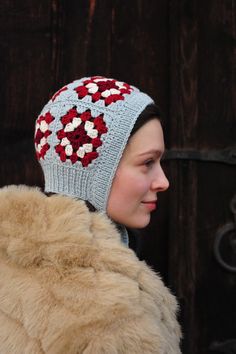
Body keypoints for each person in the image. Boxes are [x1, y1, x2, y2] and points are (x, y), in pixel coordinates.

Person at [0, 76, 181, 353]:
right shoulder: (112, 322)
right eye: (147, 163)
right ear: (94, 172)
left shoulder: (11, 264)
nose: (163, 181)